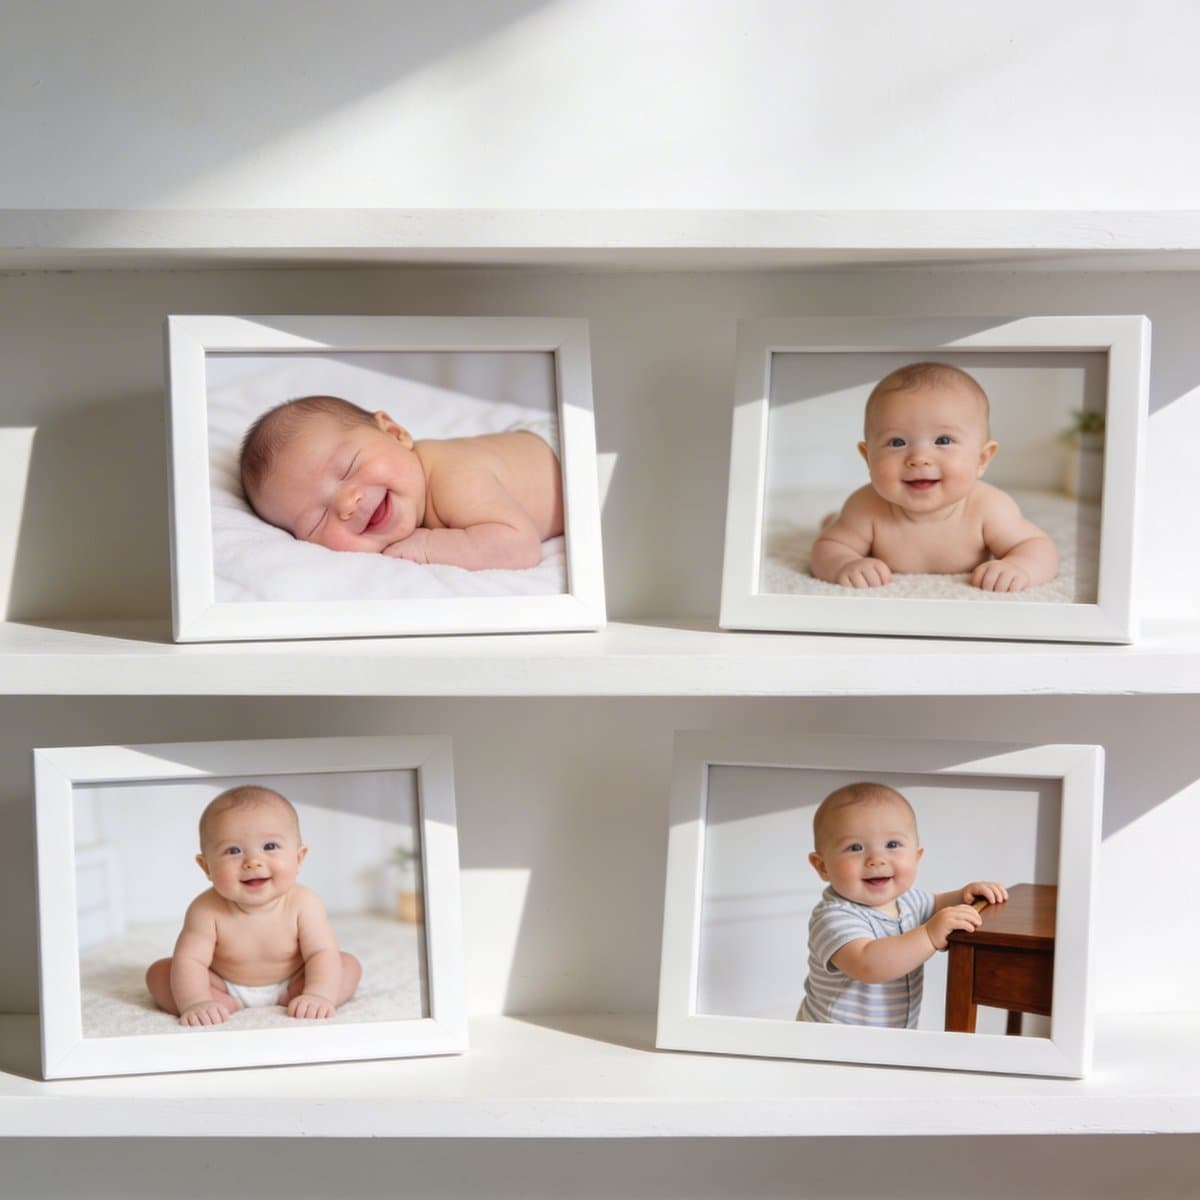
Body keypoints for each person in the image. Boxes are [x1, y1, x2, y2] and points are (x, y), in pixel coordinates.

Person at [809, 362, 1059, 592]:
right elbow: (828, 549)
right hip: (853, 521)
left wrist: (1019, 568)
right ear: (868, 457)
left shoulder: (989, 507)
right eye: (896, 442)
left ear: (981, 459)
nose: (919, 458)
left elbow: (1037, 547)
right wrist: (844, 564)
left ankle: (834, 520)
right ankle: (835, 521)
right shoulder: (865, 506)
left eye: (943, 440)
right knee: (838, 530)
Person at [239, 394, 563, 570]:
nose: (346, 503)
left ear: (395, 433)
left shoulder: (453, 478)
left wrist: (424, 547)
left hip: (569, 454)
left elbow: (519, 546)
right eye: (317, 518)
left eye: (349, 466)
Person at [145, 785, 362, 1026]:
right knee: (161, 973)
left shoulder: (305, 903)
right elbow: (191, 960)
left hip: (295, 982)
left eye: (269, 846)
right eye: (233, 850)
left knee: (346, 965)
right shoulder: (204, 910)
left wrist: (318, 994)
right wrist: (196, 1001)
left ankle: (299, 999)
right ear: (206, 866)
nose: (252, 862)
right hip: (223, 985)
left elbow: (321, 953)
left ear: (298, 858)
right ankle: (221, 1004)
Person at [797, 781, 1008, 1027]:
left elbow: (936, 904)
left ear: (916, 857)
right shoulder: (834, 917)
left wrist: (965, 896)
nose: (876, 859)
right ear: (822, 866)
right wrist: (929, 935)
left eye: (892, 845)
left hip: (889, 1036)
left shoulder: (909, 900)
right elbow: (868, 965)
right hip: (834, 1042)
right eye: (855, 847)